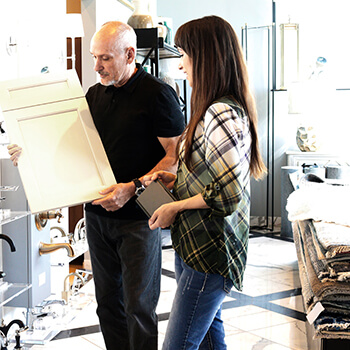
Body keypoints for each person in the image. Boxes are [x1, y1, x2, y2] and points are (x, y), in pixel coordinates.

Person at [8, 21, 185, 350]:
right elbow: (68, 145)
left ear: (129, 54)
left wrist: (131, 188)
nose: (96, 66)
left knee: (139, 308)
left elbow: (174, 158)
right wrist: (26, 152)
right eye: (94, 57)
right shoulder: (93, 95)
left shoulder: (158, 95)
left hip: (139, 219)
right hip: (98, 217)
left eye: (104, 58)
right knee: (107, 304)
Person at [143, 16, 266, 350]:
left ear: (205, 58)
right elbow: (213, 177)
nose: (181, 64)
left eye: (184, 54)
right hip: (197, 245)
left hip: (209, 250)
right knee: (212, 341)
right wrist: (175, 178)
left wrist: (173, 206)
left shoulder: (220, 114)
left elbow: (227, 195)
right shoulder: (214, 109)